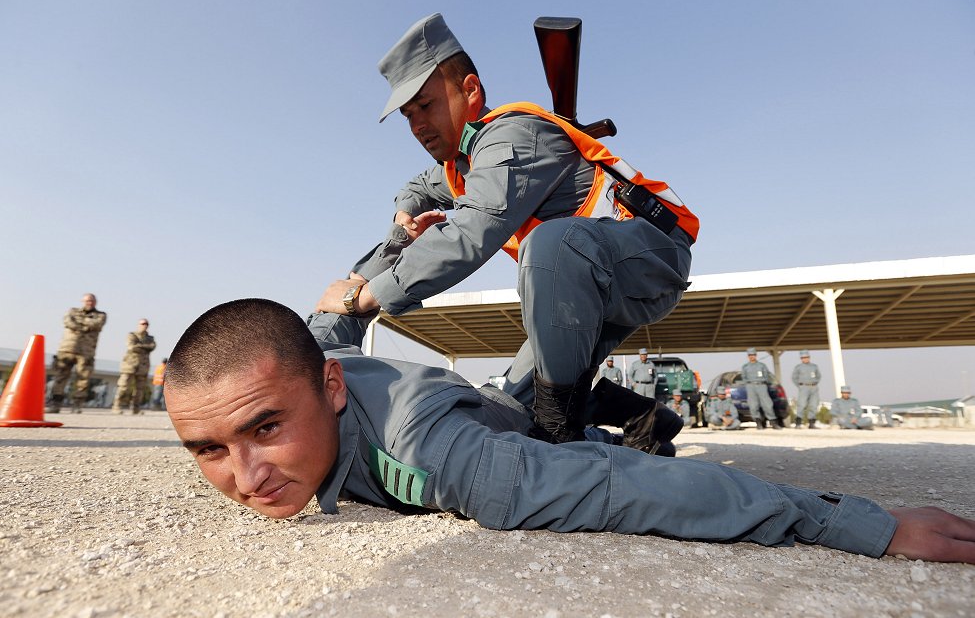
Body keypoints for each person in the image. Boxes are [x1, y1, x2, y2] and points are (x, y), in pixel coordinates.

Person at [164, 299, 975, 565]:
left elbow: (628, 490)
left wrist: (856, 521)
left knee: (580, 438)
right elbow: (325, 323)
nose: (244, 473)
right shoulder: (306, 358)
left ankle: (632, 405)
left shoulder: (441, 457)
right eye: (207, 448)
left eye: (265, 428)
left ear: (331, 389)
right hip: (474, 396)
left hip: (506, 424)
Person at [313, 13, 698, 445]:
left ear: (470, 90)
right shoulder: (463, 163)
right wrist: (405, 214)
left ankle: (562, 446)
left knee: (552, 242)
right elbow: (419, 186)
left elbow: (469, 234)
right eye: (407, 115)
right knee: (508, 406)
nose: (417, 125)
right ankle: (643, 428)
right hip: (583, 286)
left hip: (649, 255)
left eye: (426, 105)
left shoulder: (511, 137)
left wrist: (362, 295)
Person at [46, 293, 107, 414]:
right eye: (87, 300)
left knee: (83, 379)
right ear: (82, 301)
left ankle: (77, 404)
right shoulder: (72, 311)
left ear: (95, 302)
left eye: (92, 301)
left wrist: (78, 323)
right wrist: (85, 325)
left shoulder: (100, 315)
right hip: (67, 349)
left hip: (86, 352)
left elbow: (96, 324)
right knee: (60, 377)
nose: (89, 302)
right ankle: (55, 404)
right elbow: (68, 321)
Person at [112, 319, 156, 415]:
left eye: (146, 324)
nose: (144, 325)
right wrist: (145, 347)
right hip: (129, 365)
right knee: (123, 386)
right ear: (138, 325)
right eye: (142, 323)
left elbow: (152, 347)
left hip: (143, 366)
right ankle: (116, 406)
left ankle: (136, 408)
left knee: (139, 389)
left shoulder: (150, 338)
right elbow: (132, 347)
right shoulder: (132, 335)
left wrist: (140, 346)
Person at [741, 348, 779, 429]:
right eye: (750, 355)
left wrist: (764, 382)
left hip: (762, 385)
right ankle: (758, 422)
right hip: (751, 386)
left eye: (753, 355)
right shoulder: (745, 367)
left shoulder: (761, 365)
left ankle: (773, 421)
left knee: (767, 404)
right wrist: (748, 384)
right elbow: (743, 377)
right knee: (753, 405)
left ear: (756, 355)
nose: (752, 357)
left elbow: (767, 376)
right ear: (748, 356)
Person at [791, 350, 821, 428]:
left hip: (814, 387)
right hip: (803, 387)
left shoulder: (814, 366)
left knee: (814, 405)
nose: (805, 359)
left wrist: (815, 383)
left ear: (809, 357)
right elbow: (794, 378)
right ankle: (798, 423)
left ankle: (811, 423)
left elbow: (819, 376)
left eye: (806, 357)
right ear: (801, 358)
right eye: (803, 357)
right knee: (802, 404)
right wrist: (800, 386)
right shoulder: (798, 367)